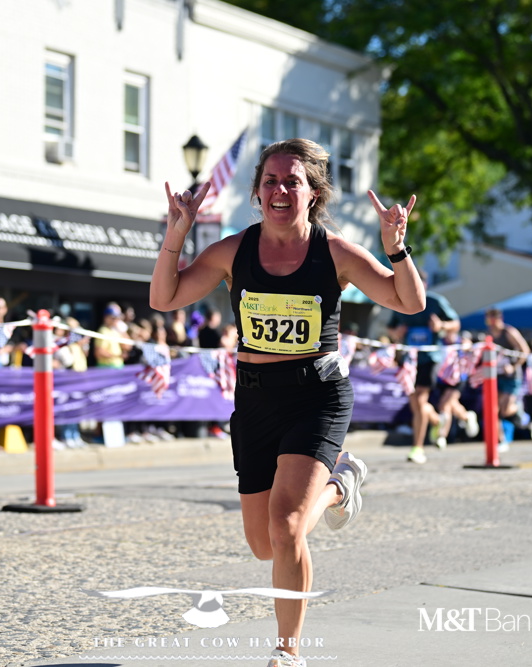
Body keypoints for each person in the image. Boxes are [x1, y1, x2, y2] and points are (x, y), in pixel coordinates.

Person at [150, 138, 425, 666]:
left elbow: (409, 302)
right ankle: (340, 485)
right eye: (270, 181)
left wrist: (396, 247)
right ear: (257, 192)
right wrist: (176, 234)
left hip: (317, 397)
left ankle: (288, 652)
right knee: (264, 544)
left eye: (292, 181)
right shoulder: (232, 251)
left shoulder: (335, 252)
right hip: (255, 400)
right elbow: (164, 298)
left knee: (288, 527)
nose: (280, 190)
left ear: (313, 192)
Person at [386, 269, 460, 464]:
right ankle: (437, 420)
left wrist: (441, 326)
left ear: (424, 285)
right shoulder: (399, 302)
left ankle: (418, 448)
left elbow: (455, 323)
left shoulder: (435, 301)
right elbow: (390, 328)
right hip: (409, 360)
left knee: (420, 399)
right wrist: (396, 332)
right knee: (416, 403)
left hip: (430, 357)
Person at [485, 307, 531, 449]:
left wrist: (513, 366)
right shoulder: (488, 334)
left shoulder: (509, 332)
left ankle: (519, 410)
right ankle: (501, 440)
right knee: (494, 410)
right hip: (496, 376)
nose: (491, 322)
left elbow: (525, 351)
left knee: (505, 409)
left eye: (493, 318)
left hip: (512, 376)